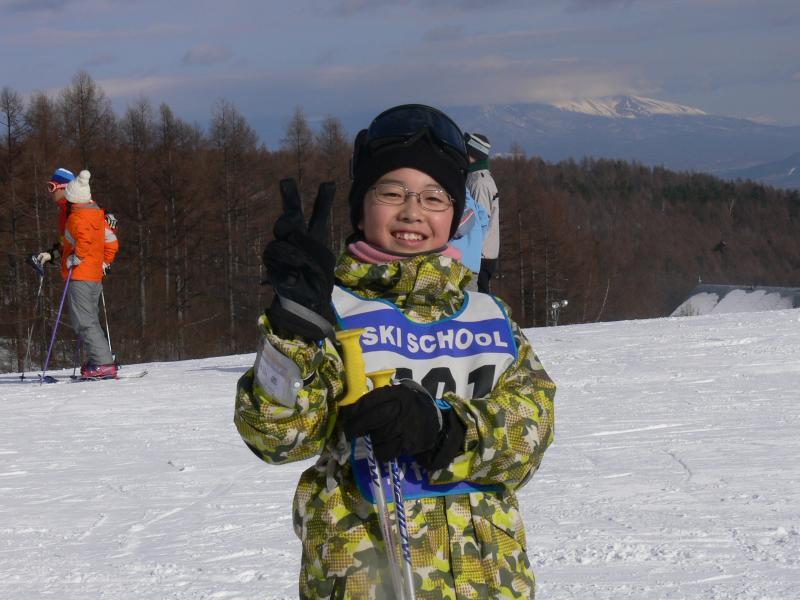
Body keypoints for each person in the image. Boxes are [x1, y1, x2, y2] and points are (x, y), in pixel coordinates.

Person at [234, 104, 555, 599]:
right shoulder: (333, 310)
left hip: (487, 578)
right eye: (391, 193)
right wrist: (292, 336)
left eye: (434, 197)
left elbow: (532, 432)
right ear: (362, 205)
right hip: (366, 574)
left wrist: (446, 429)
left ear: (456, 216)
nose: (412, 212)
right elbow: (277, 439)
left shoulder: (488, 316)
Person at [35, 169, 119, 379]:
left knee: (84, 319)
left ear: (65, 188)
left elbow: (83, 240)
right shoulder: (75, 210)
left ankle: (103, 362)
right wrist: (51, 254)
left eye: (52, 187)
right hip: (88, 270)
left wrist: (99, 261)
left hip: (83, 271)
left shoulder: (76, 211)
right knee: (87, 317)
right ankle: (99, 358)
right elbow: (69, 243)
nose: (49, 192)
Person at [464, 133, 500, 294]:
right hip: (480, 254)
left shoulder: (478, 182)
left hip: (480, 255)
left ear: (473, 154)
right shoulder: (475, 177)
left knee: (477, 301)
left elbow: (480, 221)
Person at [449, 187, 489, 291]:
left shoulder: (453, 197)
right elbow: (484, 220)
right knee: (469, 304)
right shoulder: (472, 201)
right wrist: (475, 244)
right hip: (473, 266)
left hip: (453, 265)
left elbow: (460, 228)